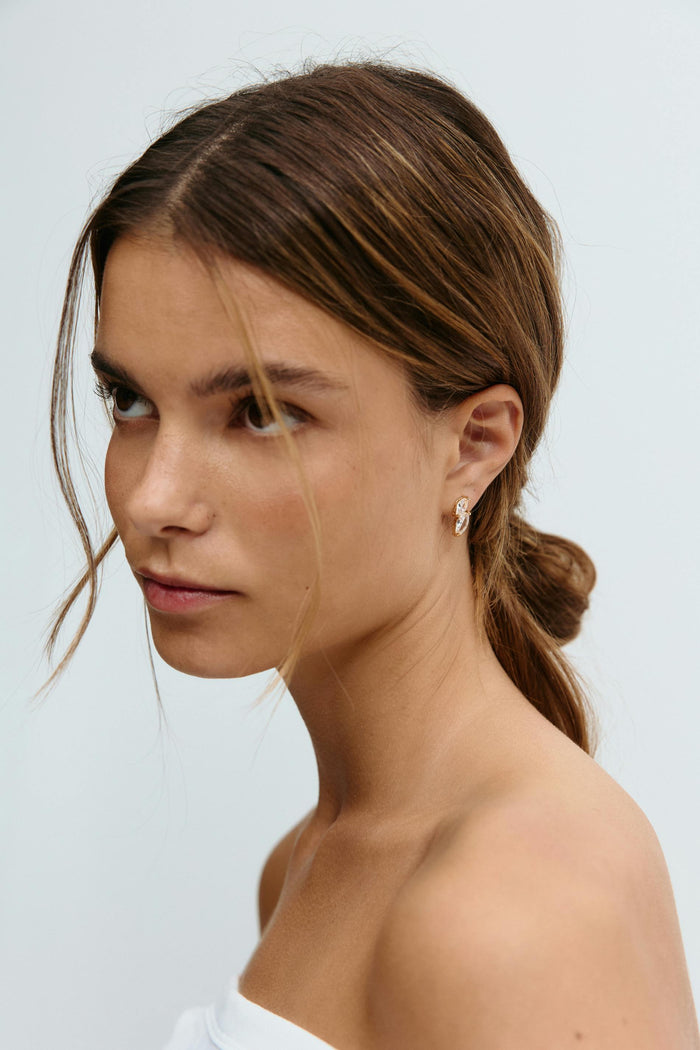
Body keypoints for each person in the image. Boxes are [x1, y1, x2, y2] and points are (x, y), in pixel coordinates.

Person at [48, 60, 699, 1049]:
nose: (150, 498)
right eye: (129, 400)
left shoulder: (510, 912)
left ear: (473, 443)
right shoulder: (311, 862)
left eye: (262, 412)